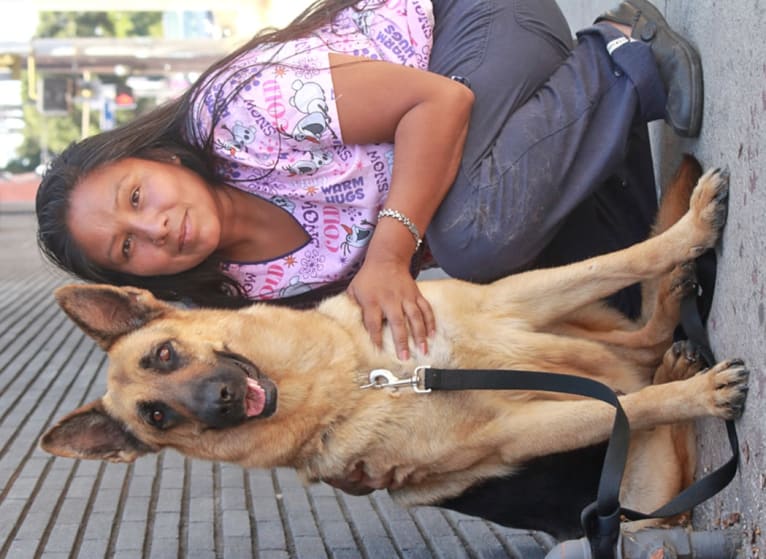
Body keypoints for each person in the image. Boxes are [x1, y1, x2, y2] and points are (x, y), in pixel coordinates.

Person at [36, 0, 703, 531]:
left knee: (474, 239)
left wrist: (388, 252)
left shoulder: (239, 113)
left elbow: (440, 103)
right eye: (128, 246)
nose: (154, 226)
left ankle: (620, 53)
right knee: (425, 454)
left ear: (160, 161)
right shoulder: (243, 294)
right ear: (143, 275)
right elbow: (349, 378)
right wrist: (355, 463)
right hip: (490, 162)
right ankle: (605, 521)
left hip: (476, 34)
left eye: (135, 196)